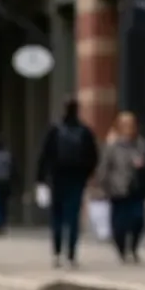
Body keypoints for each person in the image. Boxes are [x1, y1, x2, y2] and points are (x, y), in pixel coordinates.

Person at [36, 99, 99, 268]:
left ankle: (57, 252)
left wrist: (41, 179)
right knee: (72, 217)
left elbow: (44, 156)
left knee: (57, 216)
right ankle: (71, 253)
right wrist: (86, 174)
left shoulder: (55, 130)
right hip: (76, 179)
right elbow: (93, 156)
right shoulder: (84, 131)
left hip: (57, 178)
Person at [96, 112, 145, 263]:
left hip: (136, 188)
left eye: (131, 125)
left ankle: (133, 248)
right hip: (118, 189)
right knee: (119, 223)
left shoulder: (141, 144)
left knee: (137, 220)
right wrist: (105, 186)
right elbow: (104, 168)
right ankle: (121, 248)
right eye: (125, 125)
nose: (128, 128)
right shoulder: (112, 145)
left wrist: (141, 166)